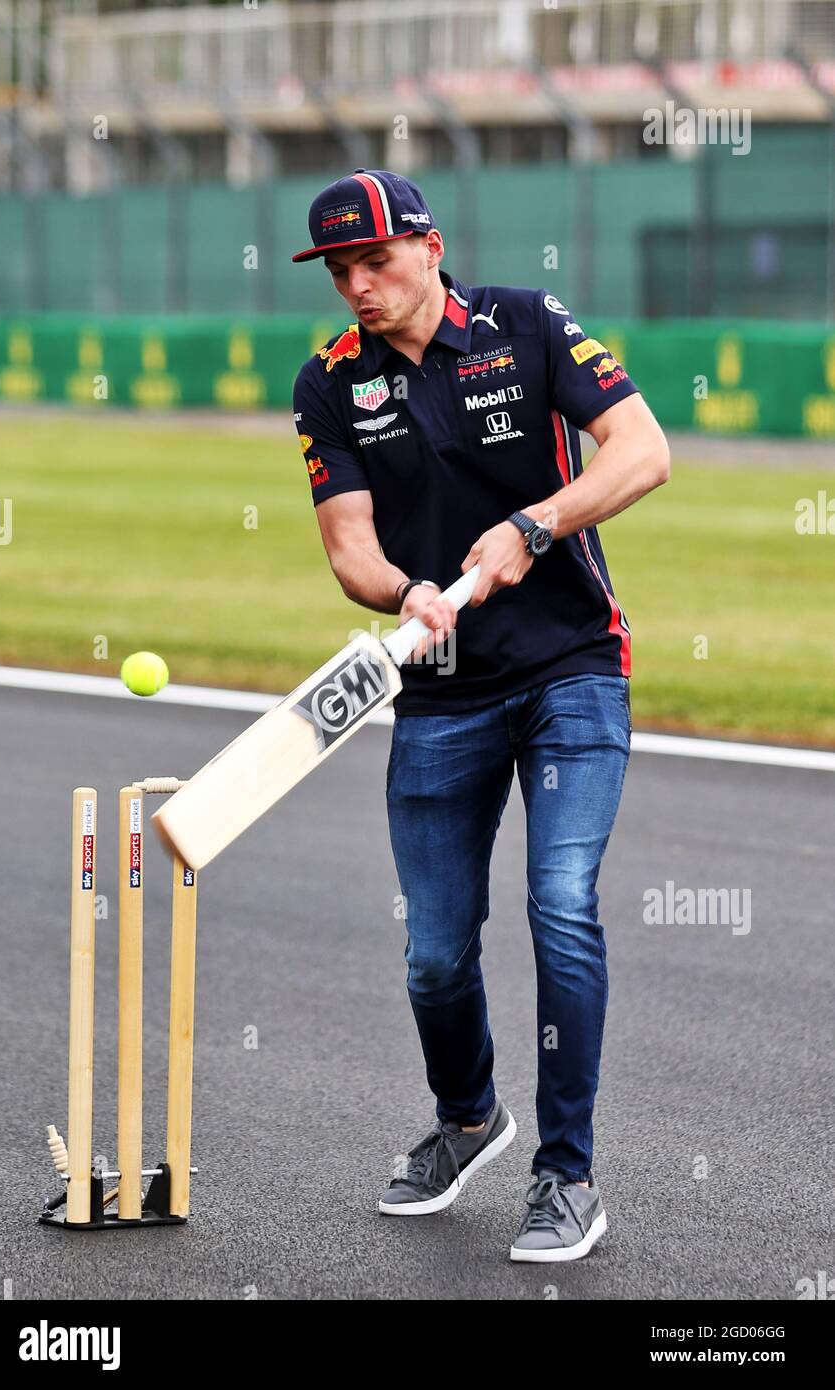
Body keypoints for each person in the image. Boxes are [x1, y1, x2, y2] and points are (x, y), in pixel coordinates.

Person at [291, 169, 669, 1262]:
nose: (358, 287)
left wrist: (535, 526)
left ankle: (567, 1178)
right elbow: (349, 546)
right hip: (441, 687)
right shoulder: (329, 385)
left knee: (559, 902)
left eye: (375, 261)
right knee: (433, 955)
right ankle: (468, 1118)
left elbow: (640, 451)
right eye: (338, 273)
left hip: (570, 666)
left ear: (427, 244)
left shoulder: (523, 321)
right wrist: (397, 591)